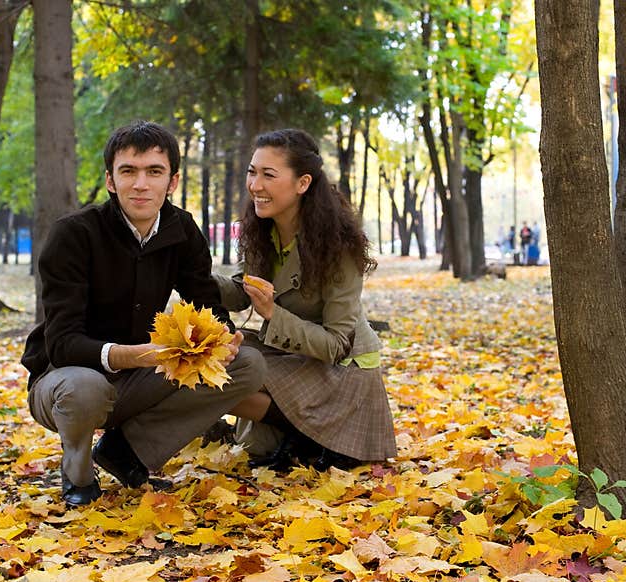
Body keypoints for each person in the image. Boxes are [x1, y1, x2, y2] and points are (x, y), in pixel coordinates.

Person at [20, 120, 265, 506]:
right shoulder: (74, 234)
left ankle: (127, 451)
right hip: (64, 380)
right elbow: (63, 343)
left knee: (247, 364)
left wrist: (223, 337)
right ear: (110, 181)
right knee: (87, 387)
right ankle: (78, 475)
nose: (140, 184)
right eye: (128, 171)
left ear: (172, 182)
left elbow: (207, 304)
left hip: (139, 376)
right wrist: (137, 354)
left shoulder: (181, 229)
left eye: (154, 172)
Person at [216, 128, 397, 472]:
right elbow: (243, 291)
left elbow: (337, 344)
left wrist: (272, 313)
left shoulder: (338, 245)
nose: (255, 185)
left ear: (302, 183)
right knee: (212, 365)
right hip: (295, 358)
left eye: (269, 175)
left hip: (343, 374)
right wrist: (187, 273)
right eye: (252, 172)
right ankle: (298, 435)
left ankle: (306, 436)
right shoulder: (262, 230)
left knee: (230, 378)